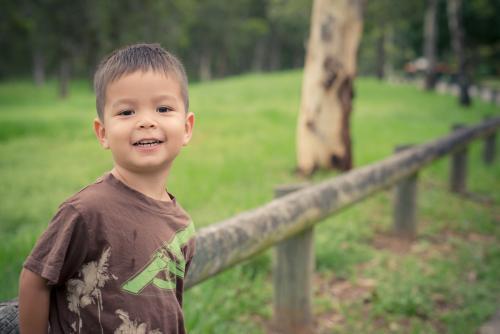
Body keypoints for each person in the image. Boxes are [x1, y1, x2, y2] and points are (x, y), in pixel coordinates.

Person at [18, 43, 196, 334]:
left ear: (186, 127)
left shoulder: (182, 224)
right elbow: (34, 280)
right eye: (127, 112)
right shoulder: (87, 211)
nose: (146, 122)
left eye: (163, 108)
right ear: (103, 133)